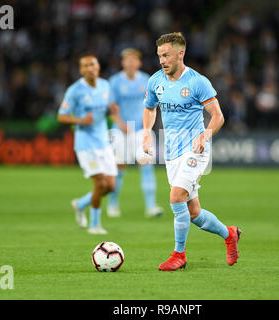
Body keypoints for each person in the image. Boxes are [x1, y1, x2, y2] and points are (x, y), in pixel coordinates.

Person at [142, 32, 242, 271]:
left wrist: (205, 135)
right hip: (171, 152)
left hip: (195, 149)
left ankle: (179, 255)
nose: (162, 60)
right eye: (159, 56)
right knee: (193, 212)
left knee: (176, 197)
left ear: (180, 53)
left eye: (166, 55)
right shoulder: (156, 80)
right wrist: (146, 130)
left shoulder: (198, 82)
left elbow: (218, 116)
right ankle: (230, 234)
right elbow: (149, 108)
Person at [57, 55, 124, 235]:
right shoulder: (75, 90)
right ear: (81, 70)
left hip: (103, 142)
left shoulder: (105, 85)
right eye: (85, 66)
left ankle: (79, 205)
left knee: (111, 186)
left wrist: (113, 112)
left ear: (98, 67)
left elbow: (107, 109)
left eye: (92, 64)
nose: (89, 68)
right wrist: (80, 120)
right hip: (85, 144)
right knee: (100, 183)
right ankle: (94, 225)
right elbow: (61, 116)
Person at [107, 48, 164, 218]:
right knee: (119, 168)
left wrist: (147, 127)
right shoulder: (115, 82)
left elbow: (152, 106)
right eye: (127, 60)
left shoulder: (147, 80)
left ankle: (151, 206)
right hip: (120, 131)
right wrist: (121, 125)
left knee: (146, 165)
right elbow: (112, 109)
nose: (130, 63)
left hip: (141, 130)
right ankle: (113, 204)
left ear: (139, 63)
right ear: (123, 63)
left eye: (134, 60)